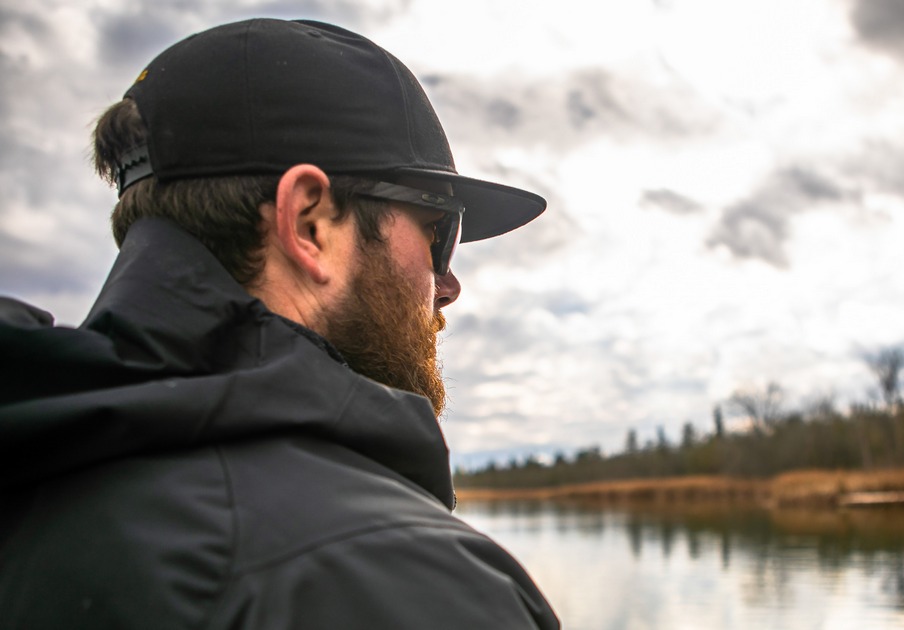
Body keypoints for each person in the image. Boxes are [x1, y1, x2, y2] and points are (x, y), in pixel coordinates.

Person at [0, 18, 558, 629]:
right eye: (437, 234)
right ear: (309, 224)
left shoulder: (36, 478)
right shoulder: (401, 581)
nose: (446, 285)